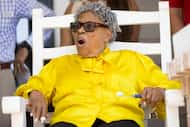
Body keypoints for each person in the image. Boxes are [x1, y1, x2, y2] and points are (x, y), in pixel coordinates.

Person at [16, 2, 180, 127]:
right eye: (76, 27)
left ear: (108, 33)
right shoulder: (60, 64)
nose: (80, 31)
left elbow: (167, 85)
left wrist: (159, 91)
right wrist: (35, 93)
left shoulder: (132, 60)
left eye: (89, 27)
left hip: (119, 119)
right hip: (70, 120)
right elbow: (36, 83)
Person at [0, 0, 54, 126]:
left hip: (2, 74)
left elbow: (49, 17)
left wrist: (27, 46)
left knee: (7, 122)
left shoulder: (13, 1)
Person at [61, 0, 139, 46]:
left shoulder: (125, 4)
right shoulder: (73, 7)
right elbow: (65, 48)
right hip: (81, 65)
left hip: (117, 63)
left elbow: (132, 42)